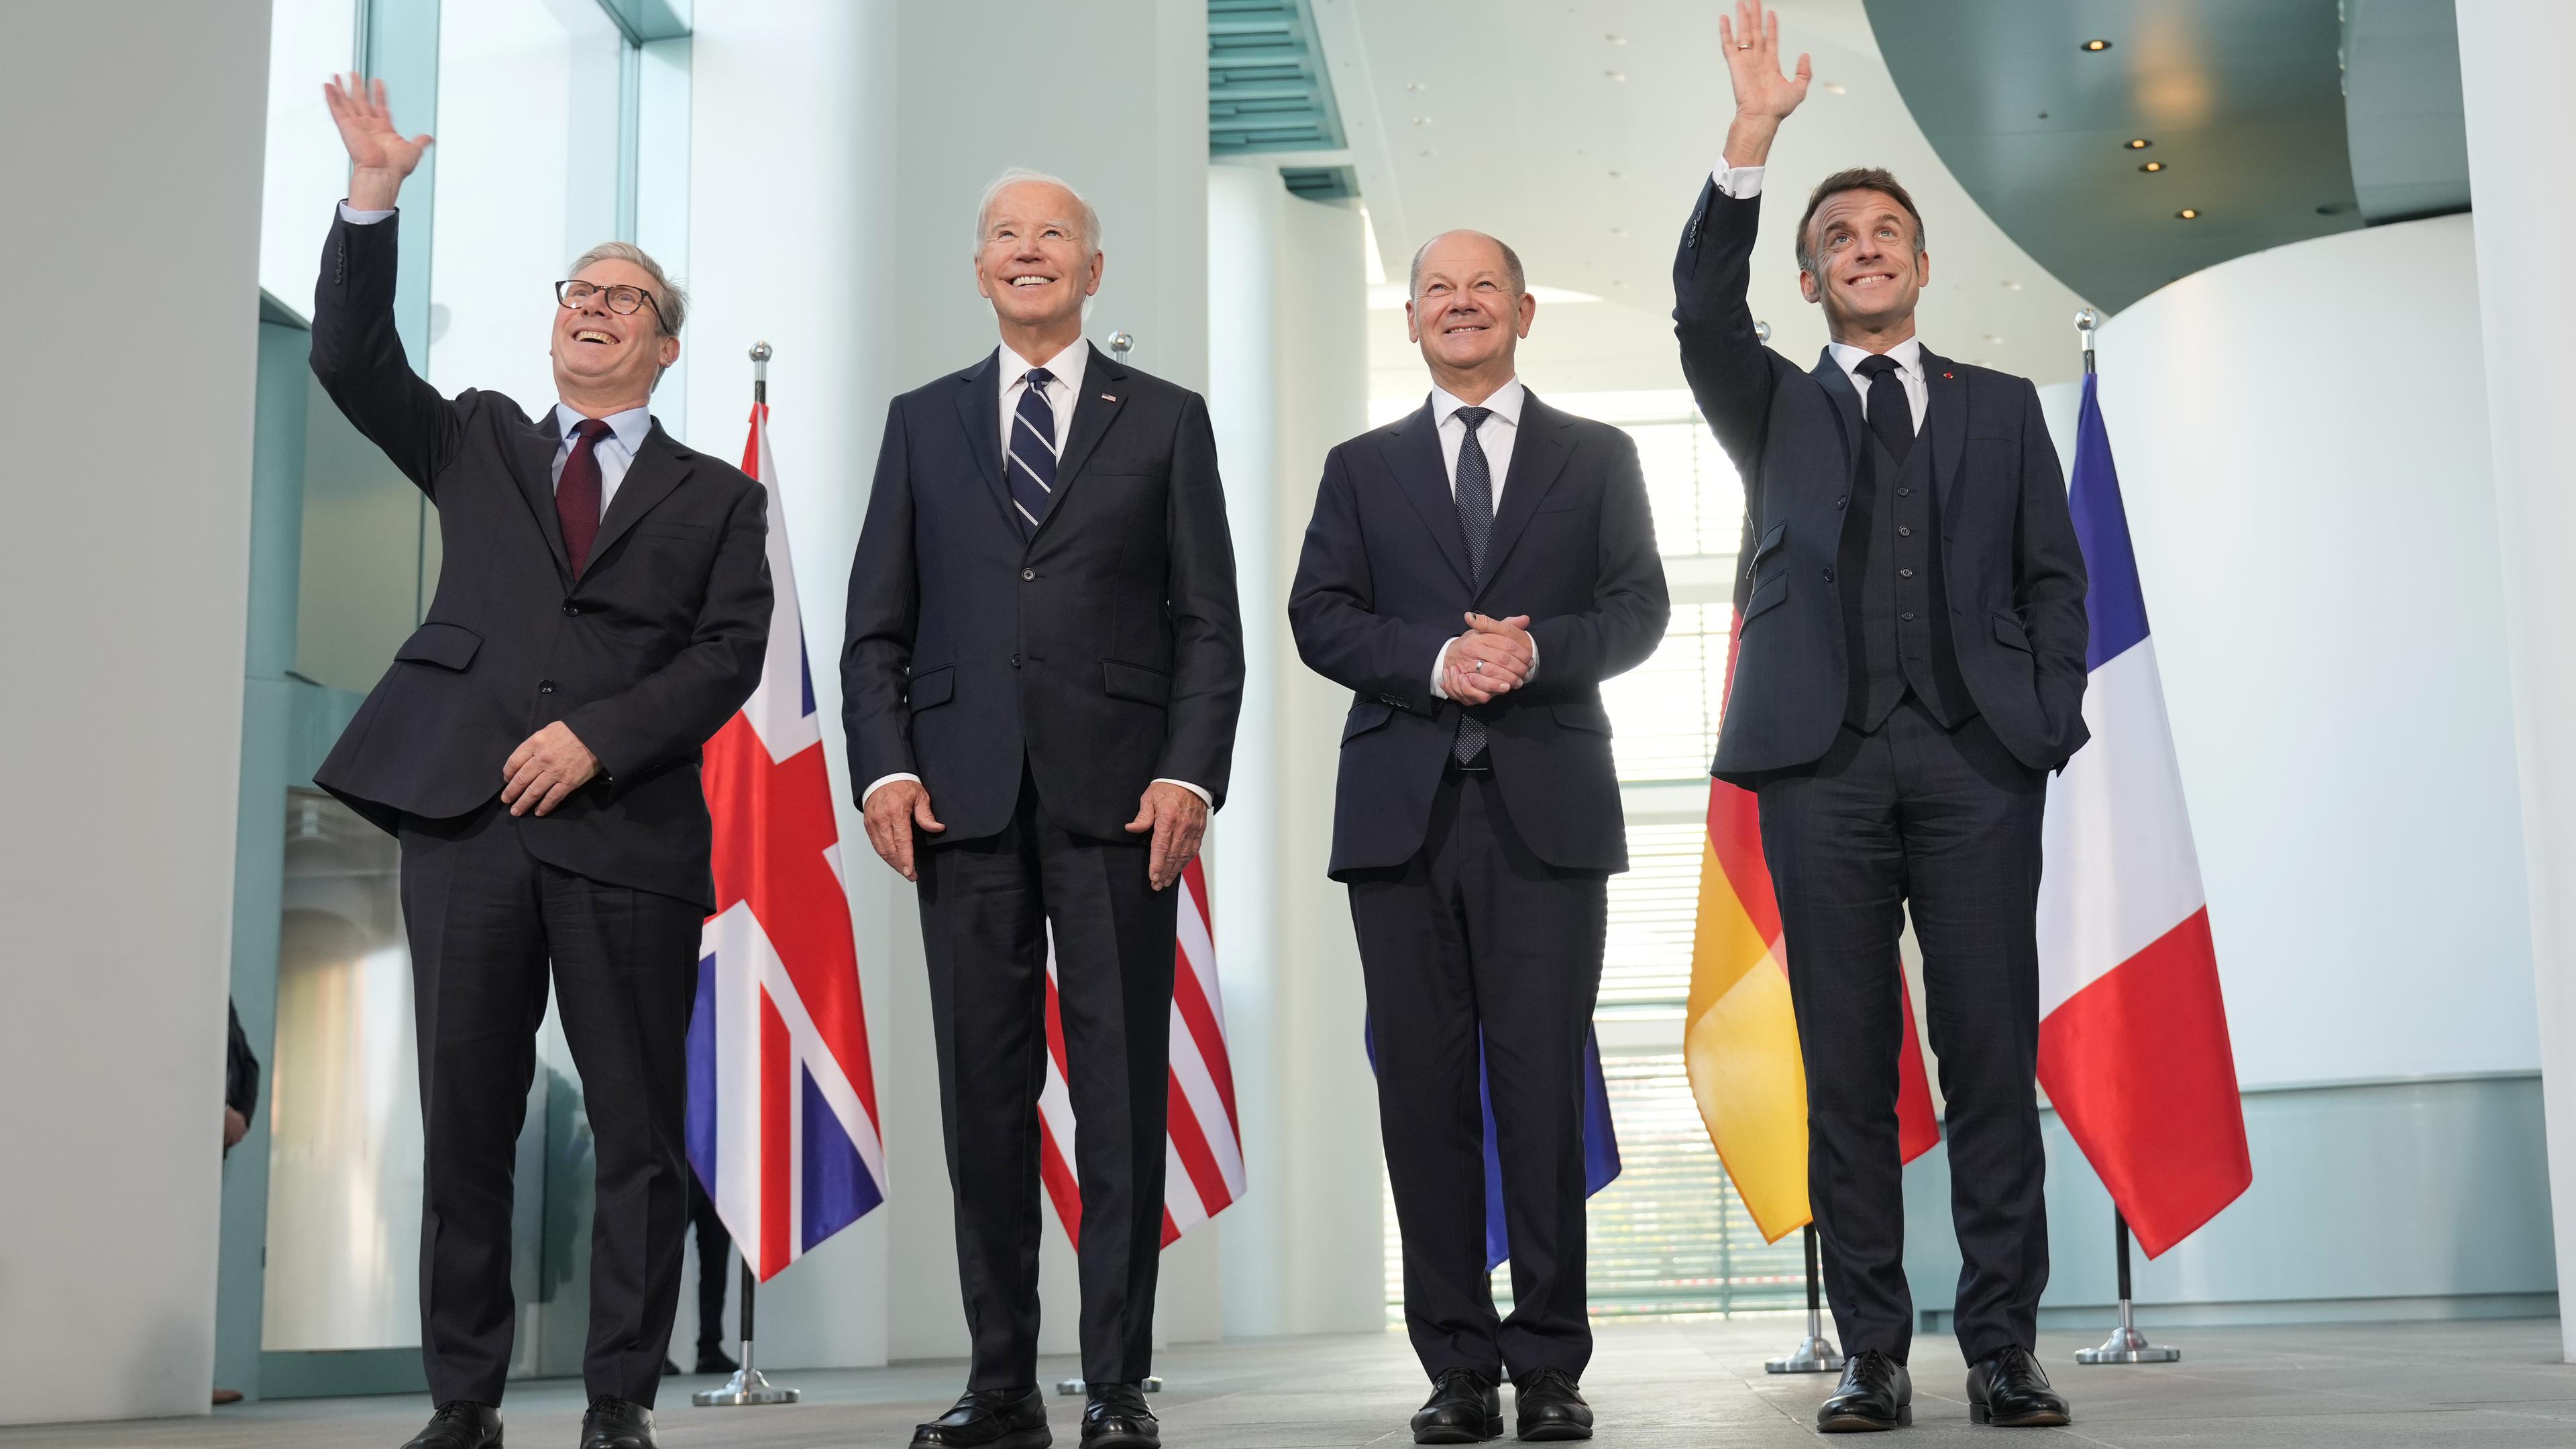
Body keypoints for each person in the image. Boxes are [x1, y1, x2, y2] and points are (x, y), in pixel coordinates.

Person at [308, 75, 772, 1449]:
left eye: (625, 298)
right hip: (464, 821)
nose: (594, 307)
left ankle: (619, 1397)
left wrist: (599, 737)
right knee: (468, 1124)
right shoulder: (481, 439)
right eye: (579, 288)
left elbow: (728, 656)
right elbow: (346, 360)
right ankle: (463, 1398)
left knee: (633, 1133)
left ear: (667, 345)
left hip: (626, 831)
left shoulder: (722, 496)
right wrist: (372, 198)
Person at [1672, 2, 2090, 1432]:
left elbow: (2055, 581)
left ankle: (2002, 1347)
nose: (1864, 249)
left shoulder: (1999, 409)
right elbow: (1695, 310)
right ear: (1811, 277)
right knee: (1845, 1066)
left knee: (1991, 1057)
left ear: (1921, 262)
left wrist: (2041, 716)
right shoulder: (1771, 406)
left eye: (1885, 235)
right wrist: (1751, 139)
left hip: (1981, 765)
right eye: (1839, 237)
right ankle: (1869, 1349)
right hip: (1818, 769)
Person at [842, 169, 1244, 1449]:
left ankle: (1117, 1385)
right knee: (983, 1098)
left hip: (1123, 803)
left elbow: (1209, 626)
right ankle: (1001, 1383)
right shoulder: (920, 421)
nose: (1030, 253)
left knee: (1123, 1101)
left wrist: (1189, 772)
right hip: (958, 803)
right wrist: (885, 765)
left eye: (1053, 234)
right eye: (1007, 237)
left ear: (1092, 266)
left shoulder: (1168, 419)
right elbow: (874, 629)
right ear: (979, 271)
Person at [1288, 229, 1668, 1445]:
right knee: (1424, 1099)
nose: (1461, 306)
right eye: (1437, 292)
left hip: (1548, 818)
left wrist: (1536, 648)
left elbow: (1641, 606)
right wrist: (1437, 660)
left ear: (1524, 312)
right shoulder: (1360, 467)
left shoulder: (1598, 455)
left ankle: (1551, 1364)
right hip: (1400, 823)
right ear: (1409, 322)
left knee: (1544, 1092)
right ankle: (1456, 1367)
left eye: (1483, 289)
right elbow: (1320, 615)